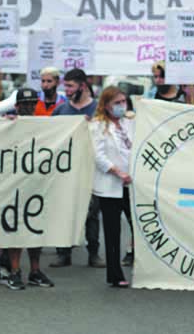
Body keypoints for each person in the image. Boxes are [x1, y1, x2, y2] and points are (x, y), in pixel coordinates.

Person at [2, 88, 55, 290]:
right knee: (15, 227)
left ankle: (35, 270)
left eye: (32, 104)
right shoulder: (8, 124)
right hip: (14, 184)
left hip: (38, 183)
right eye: (25, 104)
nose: (29, 108)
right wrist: (4, 124)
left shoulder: (43, 125)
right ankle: (15, 271)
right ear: (16, 106)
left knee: (36, 227)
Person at [50, 68, 104, 268]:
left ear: (82, 86)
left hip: (90, 169)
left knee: (91, 213)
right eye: (66, 86)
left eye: (71, 86)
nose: (67, 90)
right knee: (64, 210)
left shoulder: (98, 110)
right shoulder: (61, 110)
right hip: (66, 170)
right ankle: (63, 252)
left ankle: (94, 253)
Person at [91, 86, 133, 288]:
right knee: (113, 231)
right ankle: (115, 274)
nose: (121, 106)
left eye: (124, 101)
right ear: (106, 105)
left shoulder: (129, 123)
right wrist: (118, 172)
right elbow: (98, 156)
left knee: (138, 226)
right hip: (111, 185)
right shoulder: (98, 125)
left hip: (132, 184)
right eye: (117, 103)